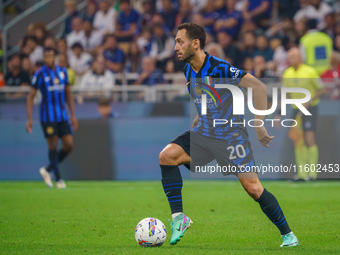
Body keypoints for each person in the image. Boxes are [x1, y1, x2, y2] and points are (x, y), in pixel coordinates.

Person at [159, 23, 299, 247]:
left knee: (253, 188)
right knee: (166, 156)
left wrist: (258, 123)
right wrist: (200, 116)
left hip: (230, 137)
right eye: (176, 41)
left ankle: (288, 235)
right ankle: (179, 219)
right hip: (204, 133)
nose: (175, 46)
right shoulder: (187, 69)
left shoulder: (219, 67)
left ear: (195, 44)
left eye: (179, 41)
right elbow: (207, 98)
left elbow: (259, 87)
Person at [26, 47, 78, 188]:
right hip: (47, 116)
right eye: (46, 56)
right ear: (44, 57)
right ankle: (59, 179)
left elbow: (68, 93)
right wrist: (30, 118)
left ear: (55, 56)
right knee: (53, 144)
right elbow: (30, 96)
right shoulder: (39, 74)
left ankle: (48, 169)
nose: (48, 58)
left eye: (51, 55)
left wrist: (73, 115)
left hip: (62, 115)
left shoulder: (62, 72)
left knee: (69, 145)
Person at [282, 47, 325, 181]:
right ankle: (302, 174)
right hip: (296, 109)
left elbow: (321, 89)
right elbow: (287, 94)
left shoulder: (310, 71)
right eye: (289, 56)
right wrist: (278, 112)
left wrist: (309, 100)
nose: (290, 59)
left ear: (300, 57)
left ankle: (312, 174)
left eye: (293, 56)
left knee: (309, 139)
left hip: (310, 108)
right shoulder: (287, 73)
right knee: (298, 140)